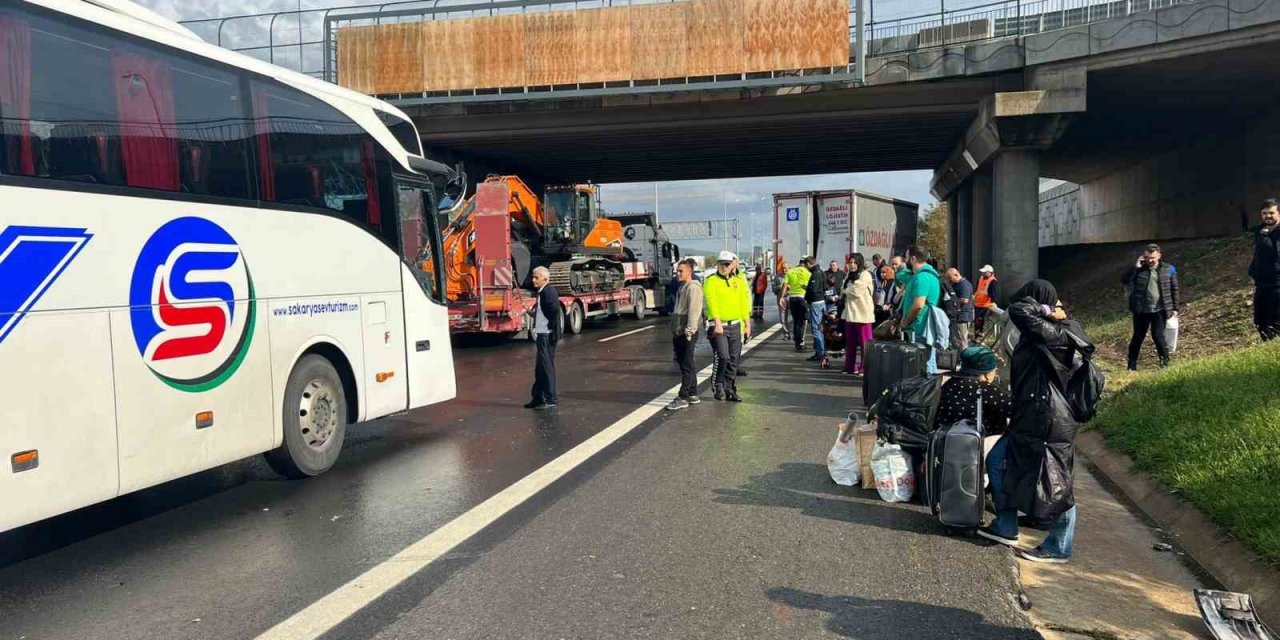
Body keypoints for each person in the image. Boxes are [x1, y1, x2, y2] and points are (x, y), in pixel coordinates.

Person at [980, 279, 1086, 564]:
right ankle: (1006, 525)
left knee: (1057, 482)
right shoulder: (1049, 328)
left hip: (1050, 418)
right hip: (1033, 413)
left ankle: (1058, 546)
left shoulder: (1057, 332)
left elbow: (1019, 310)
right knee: (1000, 461)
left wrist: (1046, 308)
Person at [1121, 243, 1180, 370]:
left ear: (1159, 255)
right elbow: (1125, 280)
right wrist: (1135, 267)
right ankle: (1131, 366)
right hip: (1141, 310)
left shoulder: (1168, 269)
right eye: (1147, 257)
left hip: (1160, 310)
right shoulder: (1139, 270)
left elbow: (1174, 289)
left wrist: (1175, 308)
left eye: (1152, 257)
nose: (1150, 260)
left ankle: (1165, 364)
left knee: (1158, 336)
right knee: (1138, 337)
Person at [934, 346, 1013, 431]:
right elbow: (1017, 410)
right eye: (995, 371)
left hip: (944, 437)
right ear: (987, 374)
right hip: (973, 441)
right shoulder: (984, 390)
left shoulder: (949, 384)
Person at [892, 246, 942, 371]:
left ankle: (928, 389)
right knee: (925, 363)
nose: (905, 261)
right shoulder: (926, 274)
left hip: (919, 327)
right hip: (921, 326)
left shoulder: (922, 277)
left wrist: (906, 320)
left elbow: (918, 304)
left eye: (907, 258)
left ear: (913, 259)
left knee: (924, 365)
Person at [705, 251, 745, 402]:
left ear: (732, 265)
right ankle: (718, 384)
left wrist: (746, 324)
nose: (724, 267)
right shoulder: (711, 281)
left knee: (734, 359)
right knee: (723, 356)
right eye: (721, 263)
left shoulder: (737, 281)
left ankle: (730, 388)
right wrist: (717, 322)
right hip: (718, 325)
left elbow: (743, 303)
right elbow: (711, 301)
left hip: (735, 324)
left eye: (727, 264)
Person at [666, 259, 703, 411]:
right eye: (677, 271)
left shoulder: (693, 288)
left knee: (686, 365)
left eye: (681, 271)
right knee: (686, 364)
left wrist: (689, 331)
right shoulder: (682, 287)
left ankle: (682, 396)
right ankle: (693, 393)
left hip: (686, 332)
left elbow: (694, 311)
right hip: (679, 331)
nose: (677, 274)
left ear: (689, 272)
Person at [525, 266, 562, 410]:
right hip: (542, 335)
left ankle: (551, 399)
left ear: (545, 279)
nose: (533, 280)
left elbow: (554, 311)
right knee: (540, 369)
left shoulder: (549, 292)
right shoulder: (542, 292)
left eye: (536, 277)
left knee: (546, 368)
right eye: (533, 277)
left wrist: (551, 329)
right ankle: (538, 398)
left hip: (547, 335)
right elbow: (543, 313)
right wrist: (532, 314)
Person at [840, 253, 876, 376]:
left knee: (865, 344)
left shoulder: (865, 275)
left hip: (863, 314)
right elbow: (843, 290)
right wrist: (845, 290)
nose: (852, 265)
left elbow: (856, 291)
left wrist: (845, 290)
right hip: (850, 314)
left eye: (855, 262)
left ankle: (865, 368)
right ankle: (849, 367)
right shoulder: (848, 276)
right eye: (850, 262)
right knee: (850, 343)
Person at [1250, 199, 1280, 341]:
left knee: (1275, 323)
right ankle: (1267, 345)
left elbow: (1273, 252)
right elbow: (1259, 254)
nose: (1267, 216)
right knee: (1260, 320)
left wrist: (1265, 235)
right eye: (1264, 213)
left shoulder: (1268, 232)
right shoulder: (1261, 230)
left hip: (1277, 283)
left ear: (1278, 213)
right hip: (1262, 283)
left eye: (1271, 213)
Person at [784, 256, 812, 351]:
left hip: (792, 298)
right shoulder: (807, 272)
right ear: (805, 263)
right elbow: (810, 285)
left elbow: (785, 285)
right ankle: (801, 341)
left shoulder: (790, 271)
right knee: (803, 321)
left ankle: (796, 341)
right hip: (802, 298)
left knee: (795, 321)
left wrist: (782, 297)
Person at [805, 257, 828, 362]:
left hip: (816, 303)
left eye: (806, 265)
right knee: (820, 327)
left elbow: (814, 290)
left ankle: (820, 353)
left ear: (809, 264)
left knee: (816, 328)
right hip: (822, 302)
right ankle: (821, 351)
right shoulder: (821, 272)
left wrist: (807, 292)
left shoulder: (815, 274)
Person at [947, 268, 976, 349]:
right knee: (958, 339)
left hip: (963, 315)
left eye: (950, 278)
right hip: (959, 315)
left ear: (956, 275)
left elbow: (965, 300)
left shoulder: (964, 285)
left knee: (962, 339)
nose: (950, 280)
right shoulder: (957, 284)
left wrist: (951, 300)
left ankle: (964, 358)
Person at [974, 265, 999, 339]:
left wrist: (993, 302)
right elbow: (977, 290)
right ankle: (977, 336)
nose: (983, 273)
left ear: (990, 273)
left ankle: (980, 337)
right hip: (977, 304)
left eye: (985, 272)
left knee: (981, 321)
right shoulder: (981, 278)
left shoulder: (993, 281)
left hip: (985, 305)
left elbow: (994, 293)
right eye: (983, 272)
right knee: (977, 322)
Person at [773, 262, 791, 340]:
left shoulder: (792, 275)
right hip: (782, 299)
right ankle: (786, 333)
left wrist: (790, 287)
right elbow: (773, 289)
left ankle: (797, 335)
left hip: (791, 298)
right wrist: (781, 286)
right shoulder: (777, 277)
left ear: (789, 268)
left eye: (785, 268)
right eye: (783, 268)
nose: (784, 270)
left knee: (796, 318)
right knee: (783, 319)